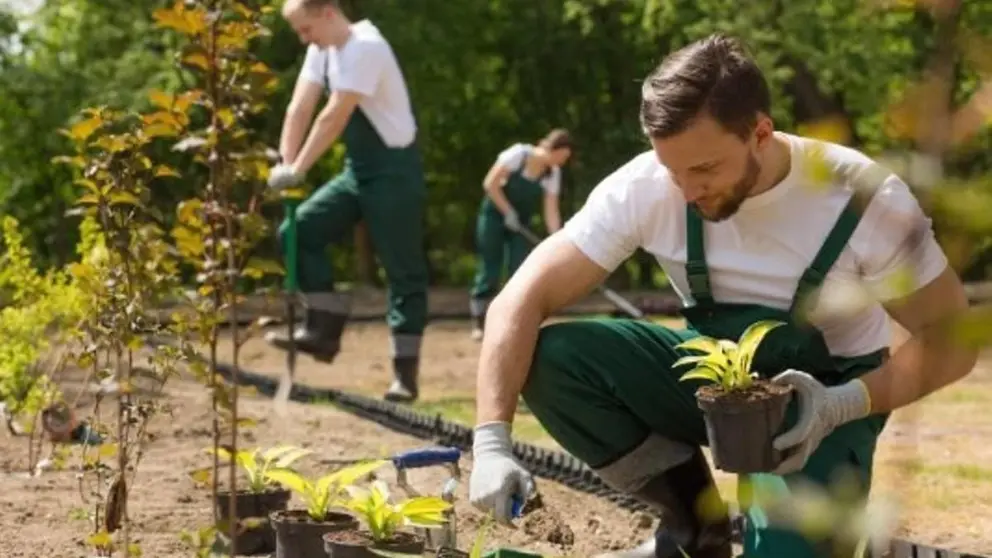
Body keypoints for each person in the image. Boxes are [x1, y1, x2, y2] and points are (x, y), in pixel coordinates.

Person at [466, 34, 977, 558]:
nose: (686, 191)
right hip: (715, 381)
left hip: (828, 399)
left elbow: (952, 339)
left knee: (784, 552)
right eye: (672, 170)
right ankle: (693, 528)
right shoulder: (648, 187)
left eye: (705, 170)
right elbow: (518, 300)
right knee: (557, 360)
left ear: (760, 133)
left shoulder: (862, 198)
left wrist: (841, 404)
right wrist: (490, 443)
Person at [265, 0, 429, 403]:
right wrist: (286, 162)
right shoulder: (321, 51)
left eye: (306, 29)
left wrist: (300, 167)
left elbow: (334, 116)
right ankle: (323, 331)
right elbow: (300, 108)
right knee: (297, 232)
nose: (304, 39)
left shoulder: (366, 46)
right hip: (358, 173)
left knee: (403, 272)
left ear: (328, 13)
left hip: (394, 172)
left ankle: (404, 377)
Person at [469, 130, 573, 341]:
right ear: (555, 149)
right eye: (562, 157)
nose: (561, 163)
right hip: (494, 217)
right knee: (490, 268)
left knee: (519, 269)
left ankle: (510, 322)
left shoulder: (552, 174)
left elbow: (551, 211)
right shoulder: (518, 155)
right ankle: (479, 323)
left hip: (520, 225)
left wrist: (558, 240)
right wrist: (507, 212)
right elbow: (490, 184)